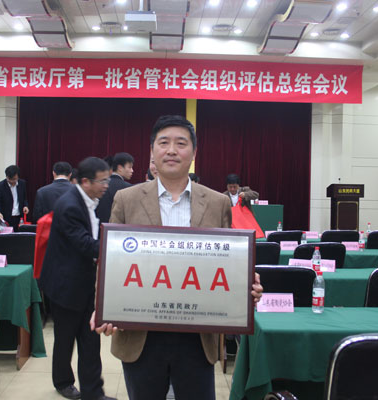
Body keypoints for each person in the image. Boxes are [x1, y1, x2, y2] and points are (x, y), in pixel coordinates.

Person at [93, 115, 263, 400]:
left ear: (194, 153)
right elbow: (111, 260)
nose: (171, 150)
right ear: (152, 151)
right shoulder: (126, 199)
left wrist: (246, 286)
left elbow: (227, 262)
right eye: (164, 143)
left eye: (181, 143)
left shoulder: (218, 202)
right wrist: (104, 305)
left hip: (197, 336)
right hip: (140, 335)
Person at [38, 157, 115, 400]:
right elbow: (84, 244)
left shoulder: (90, 200)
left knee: (90, 340)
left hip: (85, 281)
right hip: (66, 284)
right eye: (102, 181)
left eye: (108, 180)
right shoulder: (69, 205)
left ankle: (93, 392)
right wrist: (118, 248)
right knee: (65, 339)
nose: (106, 186)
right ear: (85, 181)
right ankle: (63, 382)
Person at [96, 152, 134, 223]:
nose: (132, 170)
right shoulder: (128, 188)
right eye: (129, 167)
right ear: (120, 168)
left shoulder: (100, 185)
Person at [0, 165, 29, 230]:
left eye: (14, 179)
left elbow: (24, 198)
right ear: (6, 176)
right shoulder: (0, 186)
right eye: (10, 179)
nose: (12, 181)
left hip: (19, 218)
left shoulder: (22, 184)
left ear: (18, 176)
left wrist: (25, 206)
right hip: (5, 219)